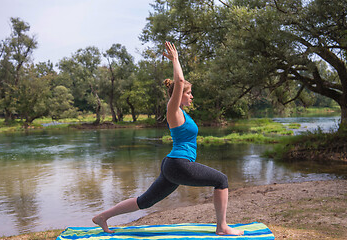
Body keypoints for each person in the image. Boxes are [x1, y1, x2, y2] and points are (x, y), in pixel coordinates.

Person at [92, 42, 244, 236]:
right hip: (178, 164)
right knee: (221, 180)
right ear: (178, 95)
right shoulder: (173, 110)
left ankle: (102, 217)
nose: (192, 96)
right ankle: (222, 227)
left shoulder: (183, 114)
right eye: (189, 93)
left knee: (145, 201)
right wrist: (176, 60)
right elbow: (179, 81)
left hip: (173, 165)